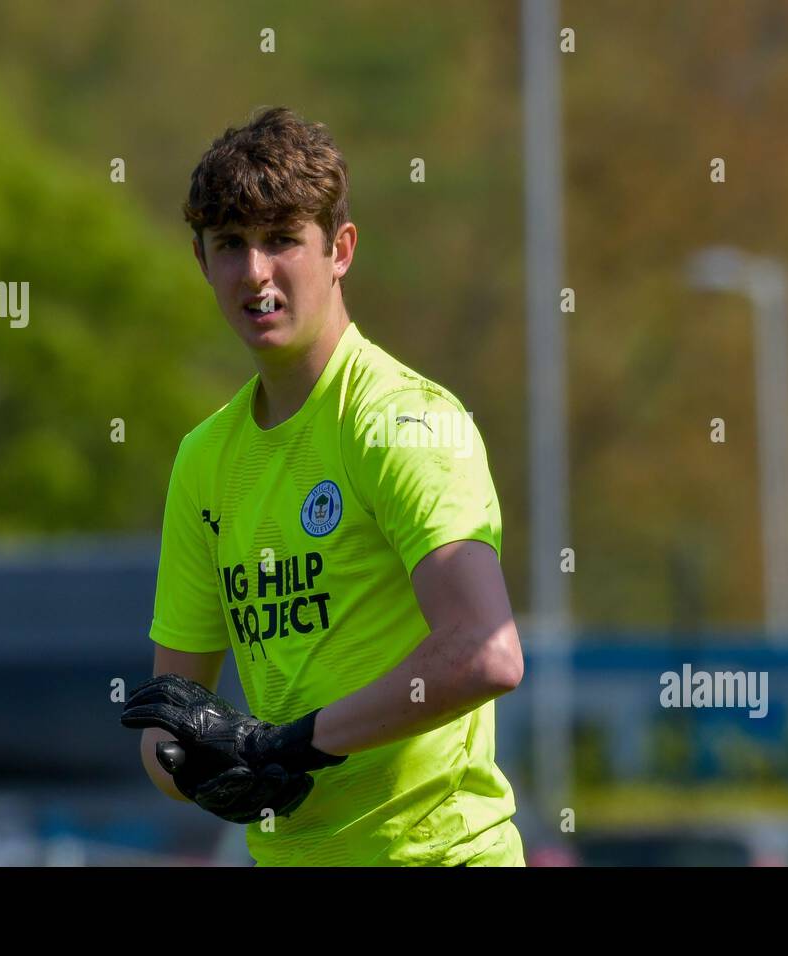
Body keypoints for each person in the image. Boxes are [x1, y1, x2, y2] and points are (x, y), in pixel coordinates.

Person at [132, 106, 525, 866]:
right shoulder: (203, 459)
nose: (255, 273)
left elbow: (486, 651)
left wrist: (292, 745)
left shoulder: (406, 422)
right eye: (230, 246)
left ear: (339, 249)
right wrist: (203, 770)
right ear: (200, 260)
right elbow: (164, 728)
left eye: (282, 240)